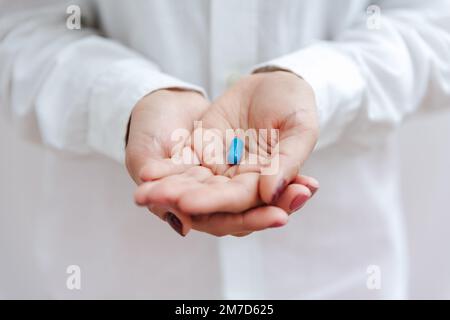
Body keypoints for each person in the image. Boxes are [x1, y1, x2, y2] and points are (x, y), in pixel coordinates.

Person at [0, 0, 449, 299]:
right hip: (116, 277)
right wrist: (129, 100)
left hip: (341, 277)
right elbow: (19, 28)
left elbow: (435, 25)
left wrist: (318, 83)